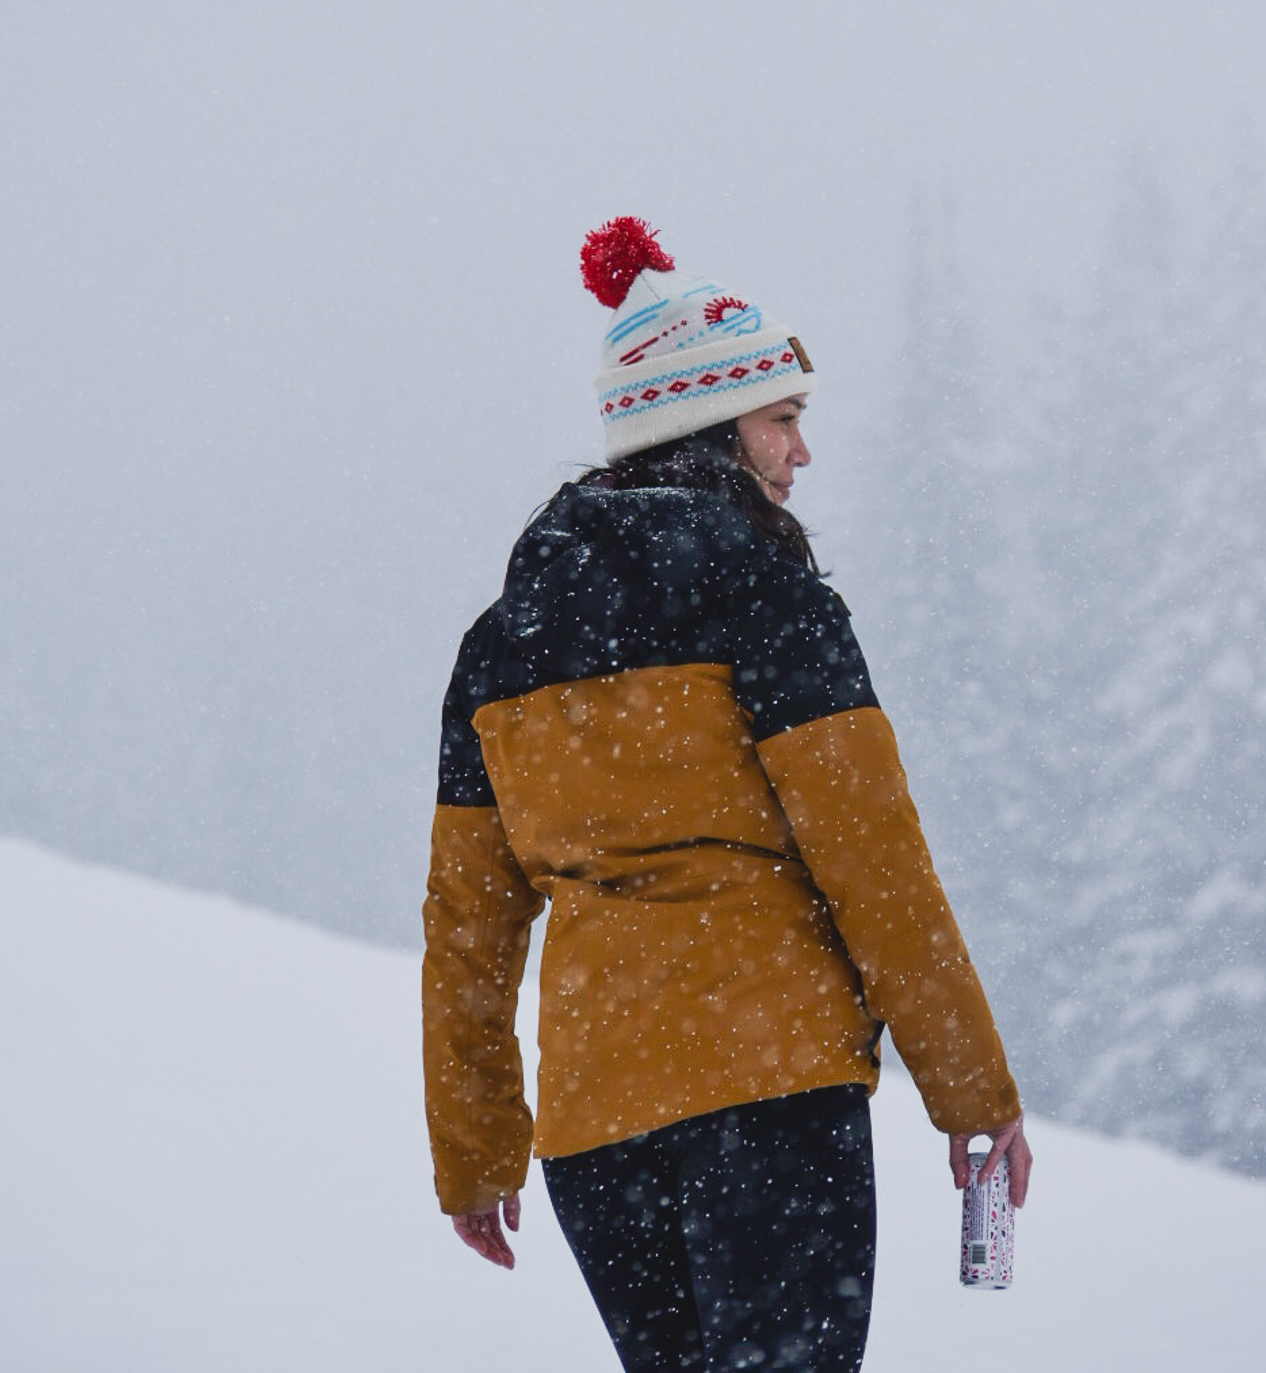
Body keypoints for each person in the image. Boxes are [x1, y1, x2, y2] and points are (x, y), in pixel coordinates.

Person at [422, 216, 1031, 1373]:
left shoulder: (497, 647)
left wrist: (474, 1151)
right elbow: (874, 864)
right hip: (771, 1090)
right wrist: (971, 1092)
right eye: (783, 417)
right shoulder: (773, 599)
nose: (802, 452)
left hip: (598, 1132)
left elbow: (466, 930)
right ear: (707, 424)